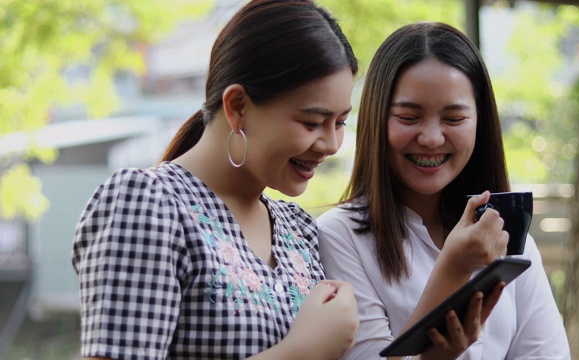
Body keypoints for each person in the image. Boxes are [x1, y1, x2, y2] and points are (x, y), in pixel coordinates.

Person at [71, 1, 362, 359]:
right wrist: (300, 352)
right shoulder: (149, 204)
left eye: (341, 123)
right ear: (238, 106)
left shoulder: (298, 230)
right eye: (312, 122)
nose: (331, 144)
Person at [317, 21, 571, 359]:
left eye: (453, 119)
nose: (432, 138)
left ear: (481, 121)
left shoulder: (506, 234)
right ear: (377, 118)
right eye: (409, 117)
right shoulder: (340, 236)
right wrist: (453, 270)